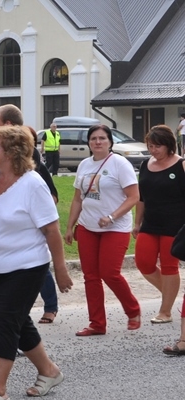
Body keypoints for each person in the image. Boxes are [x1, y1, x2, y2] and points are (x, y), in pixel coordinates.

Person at [0, 126, 72, 400]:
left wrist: (60, 269)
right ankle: (49, 371)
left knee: (4, 321)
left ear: (13, 152)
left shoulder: (32, 184)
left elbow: (51, 230)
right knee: (17, 320)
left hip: (26, 266)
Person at [0, 104, 61, 324]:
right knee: (18, 323)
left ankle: (51, 305)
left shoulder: (26, 155)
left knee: (37, 264)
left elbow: (50, 208)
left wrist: (61, 268)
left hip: (27, 250)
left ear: (7, 124)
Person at [64, 124, 141, 336]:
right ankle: (97, 323)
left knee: (109, 273)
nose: (98, 142)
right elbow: (78, 199)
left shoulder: (119, 164)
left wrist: (112, 216)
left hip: (115, 227)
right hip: (88, 226)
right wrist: (70, 226)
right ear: (88, 143)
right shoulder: (84, 165)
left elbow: (134, 197)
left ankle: (133, 310)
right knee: (91, 276)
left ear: (110, 142)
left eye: (102, 138)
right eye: (93, 139)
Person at [134, 125, 185, 329]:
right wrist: (137, 222)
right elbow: (141, 197)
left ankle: (165, 311)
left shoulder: (181, 165)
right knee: (143, 263)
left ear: (168, 145)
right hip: (150, 223)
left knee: (169, 266)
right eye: (150, 146)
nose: (153, 150)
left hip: (175, 224)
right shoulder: (145, 165)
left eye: (157, 146)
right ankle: (170, 294)